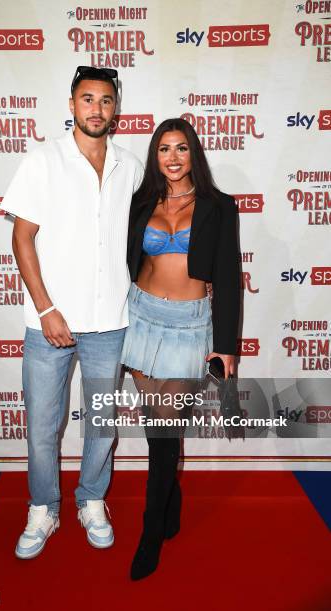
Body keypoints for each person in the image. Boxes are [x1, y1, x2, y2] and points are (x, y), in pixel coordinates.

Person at [2, 66, 143, 559]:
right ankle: (43, 507)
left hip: (111, 321)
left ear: (115, 109)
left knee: (102, 423)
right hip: (50, 322)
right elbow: (22, 238)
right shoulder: (43, 159)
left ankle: (92, 499)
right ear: (71, 105)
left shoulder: (130, 164)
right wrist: (46, 308)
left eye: (106, 101)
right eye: (88, 99)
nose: (97, 109)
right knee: (43, 423)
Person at [121, 117, 240, 579]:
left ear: (194, 154)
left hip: (189, 326)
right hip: (141, 317)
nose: (172, 157)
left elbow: (228, 278)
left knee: (166, 432)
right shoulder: (139, 202)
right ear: (156, 156)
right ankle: (171, 495)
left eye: (182, 148)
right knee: (159, 432)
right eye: (164, 149)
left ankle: (150, 534)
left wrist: (226, 345)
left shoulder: (219, 206)